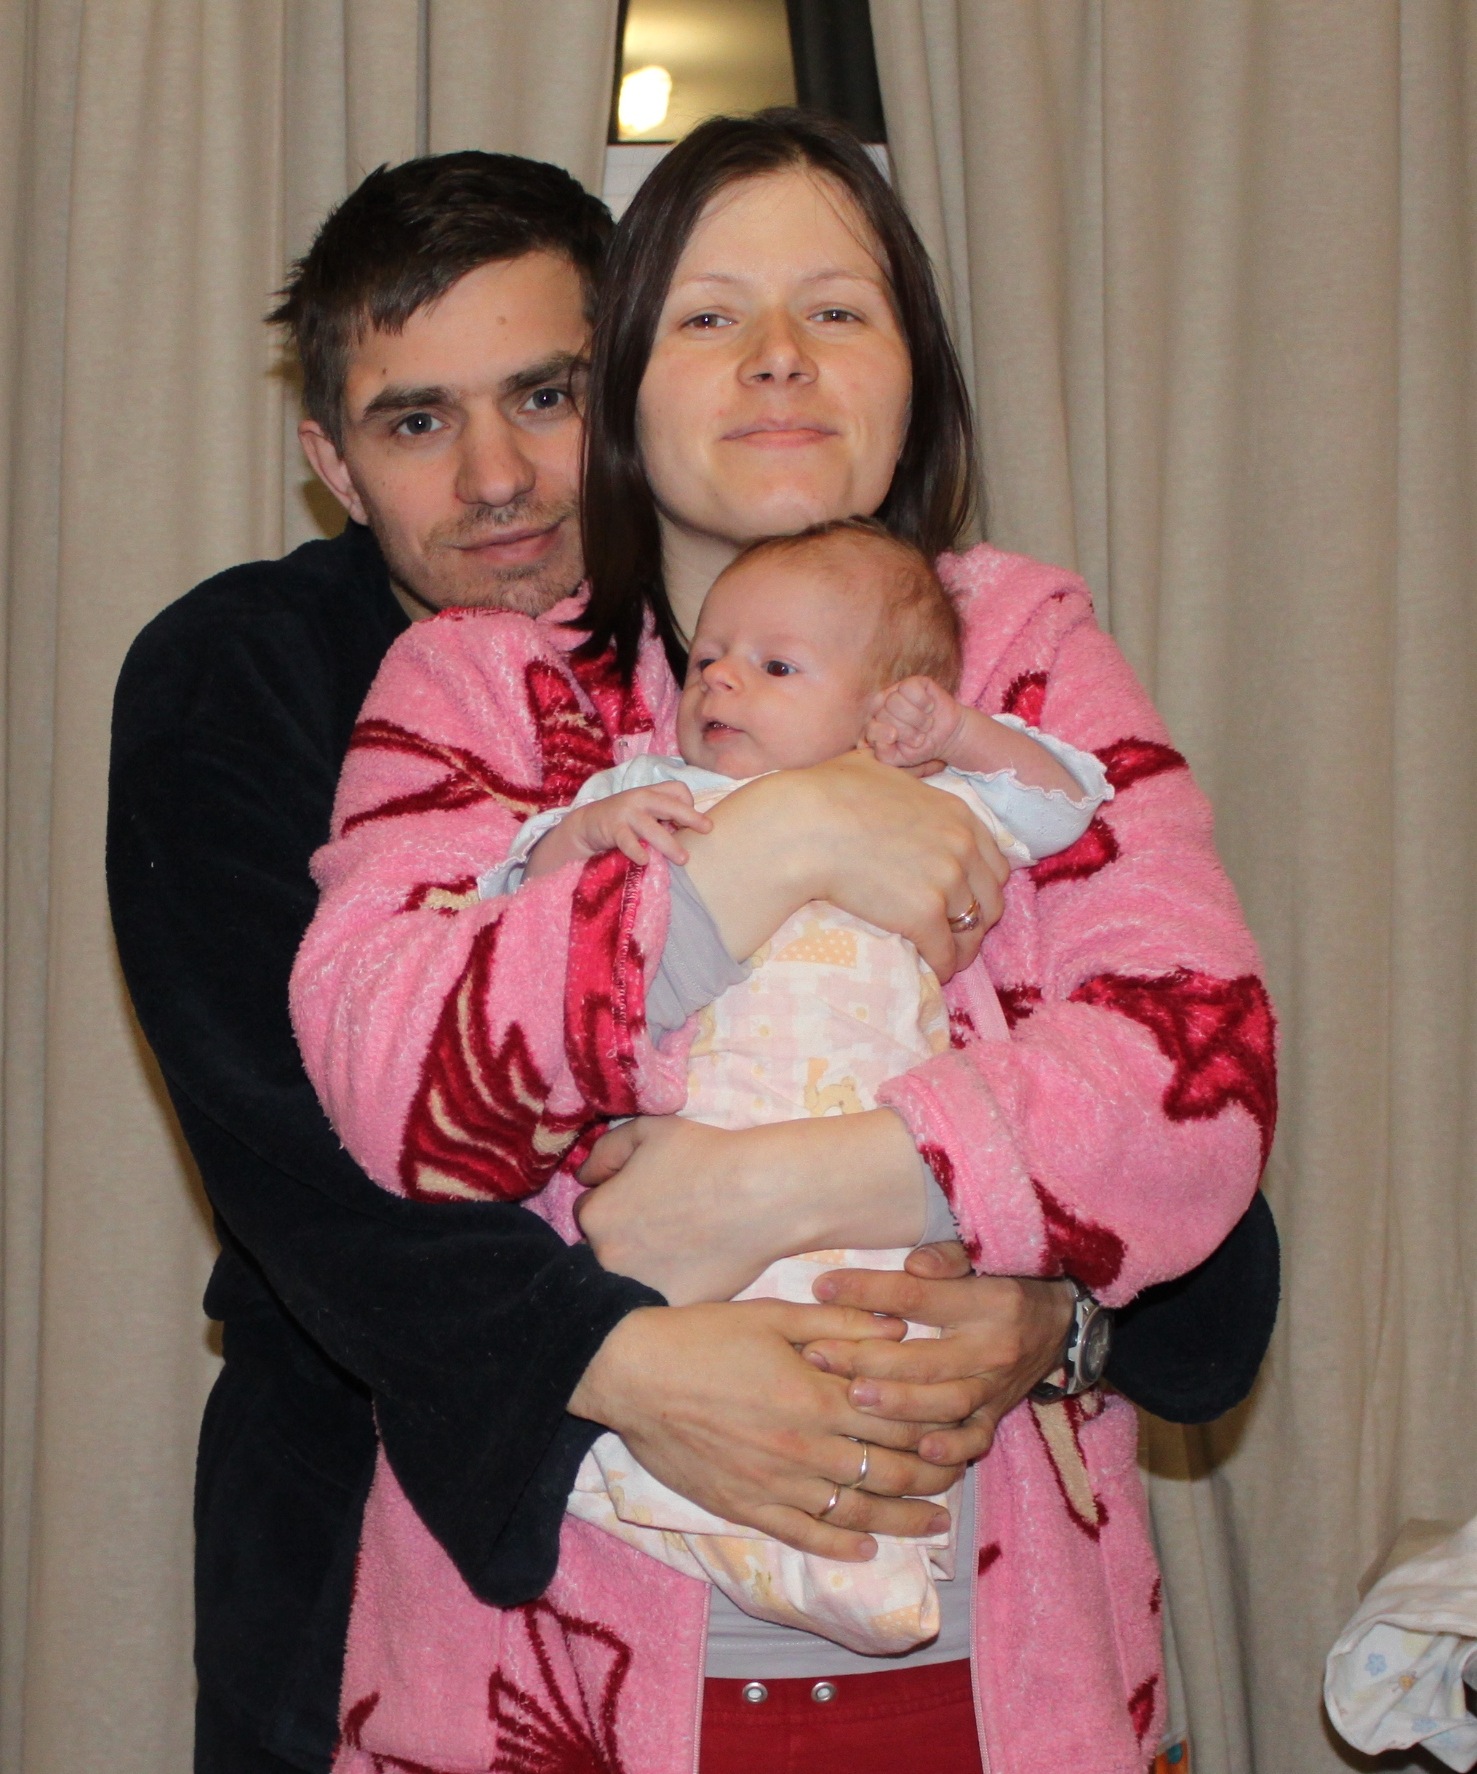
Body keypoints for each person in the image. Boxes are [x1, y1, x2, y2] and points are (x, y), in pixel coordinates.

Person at [104, 149, 1278, 1774]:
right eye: (418, 420)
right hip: (456, 1564)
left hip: (973, 1614)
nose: (501, 477)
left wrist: (962, 1264)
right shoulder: (395, 686)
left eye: (542, 393)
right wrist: (622, 1339)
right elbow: (333, 1142)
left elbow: (1193, 1116)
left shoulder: (983, 654)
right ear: (334, 460)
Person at [294, 517, 1115, 1659]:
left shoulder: (931, 795)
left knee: (871, 1337)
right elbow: (504, 885)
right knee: (696, 1343)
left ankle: (868, 1562)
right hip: (687, 1145)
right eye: (709, 658)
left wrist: (963, 733)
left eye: (774, 665)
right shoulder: (656, 785)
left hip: (869, 1166)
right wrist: (589, 831)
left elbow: (1068, 801)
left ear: (887, 708)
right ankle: (658, 1504)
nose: (721, 679)